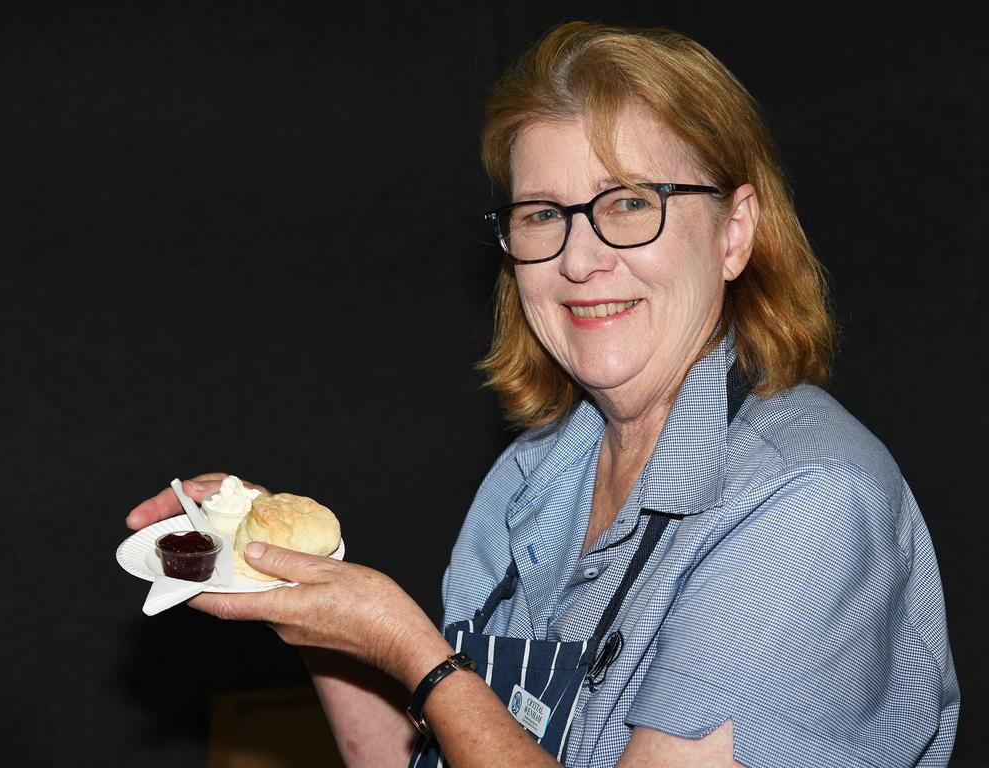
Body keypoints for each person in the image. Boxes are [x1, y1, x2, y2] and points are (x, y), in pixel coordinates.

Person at [127, 21, 959, 768]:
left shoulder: (809, 504)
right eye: (541, 214)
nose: (580, 259)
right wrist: (301, 591)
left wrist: (426, 663)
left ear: (736, 232)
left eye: (631, 203)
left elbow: (446, 697)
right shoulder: (535, 474)